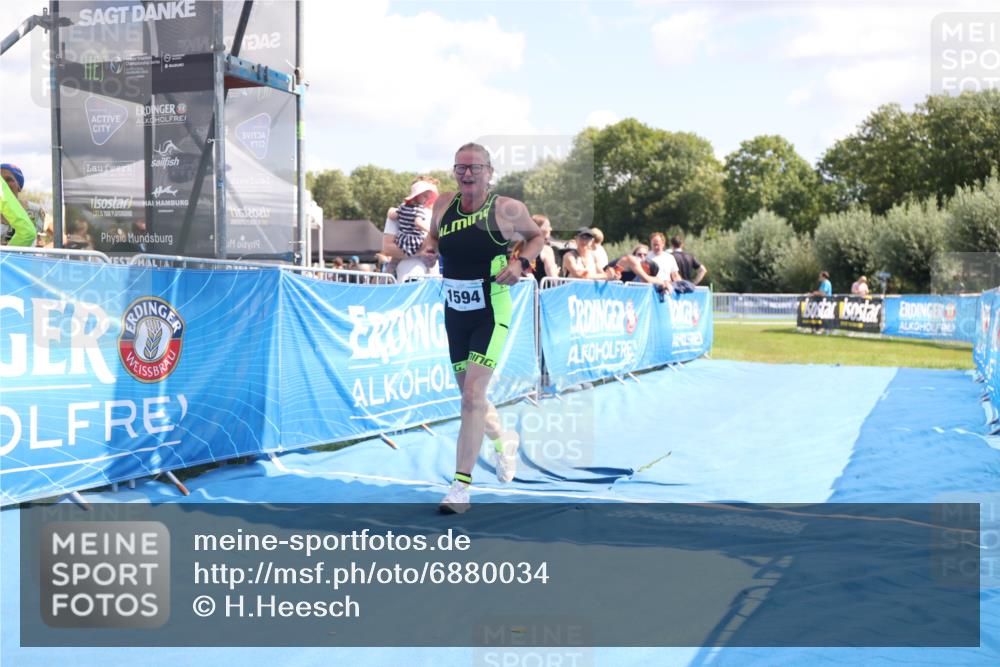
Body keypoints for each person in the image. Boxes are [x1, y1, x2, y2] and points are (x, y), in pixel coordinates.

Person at [421, 142, 544, 513]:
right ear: (454, 171)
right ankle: (504, 440)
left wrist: (521, 264)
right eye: (461, 167)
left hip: (491, 308)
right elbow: (434, 238)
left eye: (475, 168)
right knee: (470, 397)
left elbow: (537, 237)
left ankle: (460, 488)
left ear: (490, 172)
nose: (468, 174)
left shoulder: (507, 209)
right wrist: (429, 248)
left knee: (473, 395)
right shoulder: (443, 204)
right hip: (455, 311)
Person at [379, 175, 442, 281]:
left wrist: (434, 253)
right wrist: (420, 253)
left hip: (431, 273)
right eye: (428, 194)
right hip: (409, 270)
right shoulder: (402, 210)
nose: (431, 198)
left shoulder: (436, 215)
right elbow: (387, 248)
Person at [1, 163, 43, 246]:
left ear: (19, 186)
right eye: (1, 181)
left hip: (22, 257)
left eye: (8, 180)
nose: (4, 185)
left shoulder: (34, 209)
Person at [510, 214, 559, 282]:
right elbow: (554, 280)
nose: (551, 229)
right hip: (540, 291)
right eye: (548, 226)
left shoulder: (518, 248)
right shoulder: (545, 250)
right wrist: (555, 273)